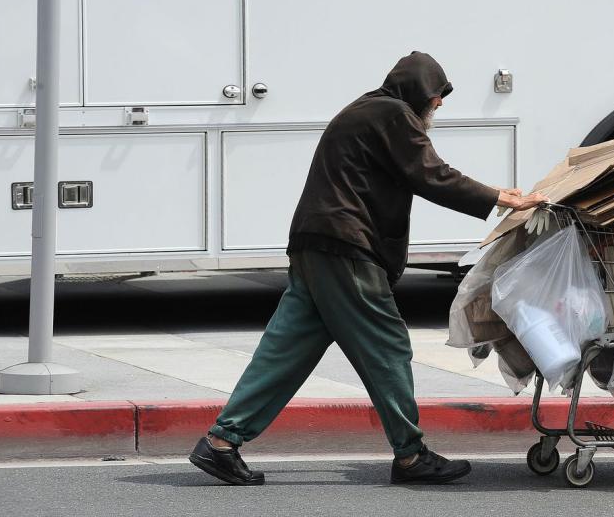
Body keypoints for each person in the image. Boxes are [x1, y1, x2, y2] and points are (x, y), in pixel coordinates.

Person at [188, 52, 545, 485]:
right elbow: (431, 174)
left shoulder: (366, 108)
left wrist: (492, 195)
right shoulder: (393, 115)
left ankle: (221, 442)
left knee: (285, 351)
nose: (439, 105)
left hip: (314, 244)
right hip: (345, 248)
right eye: (436, 96)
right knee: (387, 347)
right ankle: (411, 456)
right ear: (418, 94)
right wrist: (499, 198)